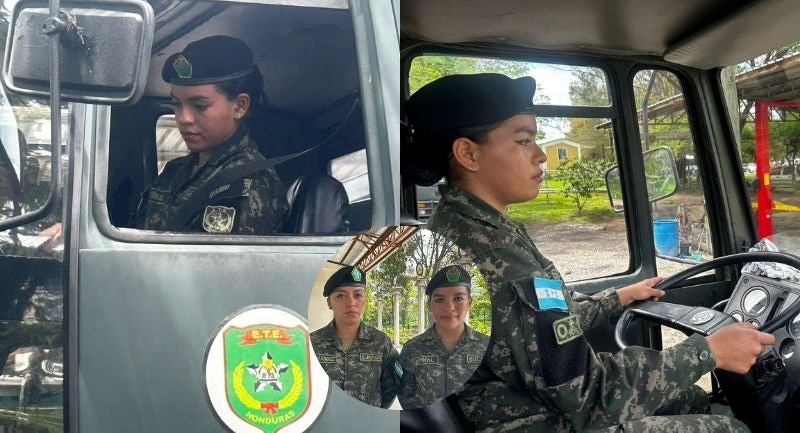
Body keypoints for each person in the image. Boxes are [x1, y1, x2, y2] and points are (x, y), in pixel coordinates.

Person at [403, 73, 775, 432]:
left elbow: (542, 326)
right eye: (524, 141)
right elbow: (588, 398)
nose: (541, 155)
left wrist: (615, 299)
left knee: (690, 398)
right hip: (544, 420)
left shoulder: (466, 227)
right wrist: (708, 352)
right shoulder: (496, 256)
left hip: (524, 406)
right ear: (468, 153)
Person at [134, 35, 288, 234]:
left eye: (200, 106)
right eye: (176, 104)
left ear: (239, 106)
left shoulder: (248, 182)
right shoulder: (174, 171)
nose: (184, 118)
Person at [398, 264, 489, 410]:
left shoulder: (488, 347)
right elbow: (405, 395)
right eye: (440, 300)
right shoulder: (412, 349)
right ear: (429, 305)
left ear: (469, 303)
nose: (449, 307)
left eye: (458, 298)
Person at [309, 265, 399, 408]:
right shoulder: (311, 343)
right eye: (341, 296)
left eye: (358, 295)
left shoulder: (381, 343)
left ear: (365, 300)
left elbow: (391, 386)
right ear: (329, 303)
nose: (351, 303)